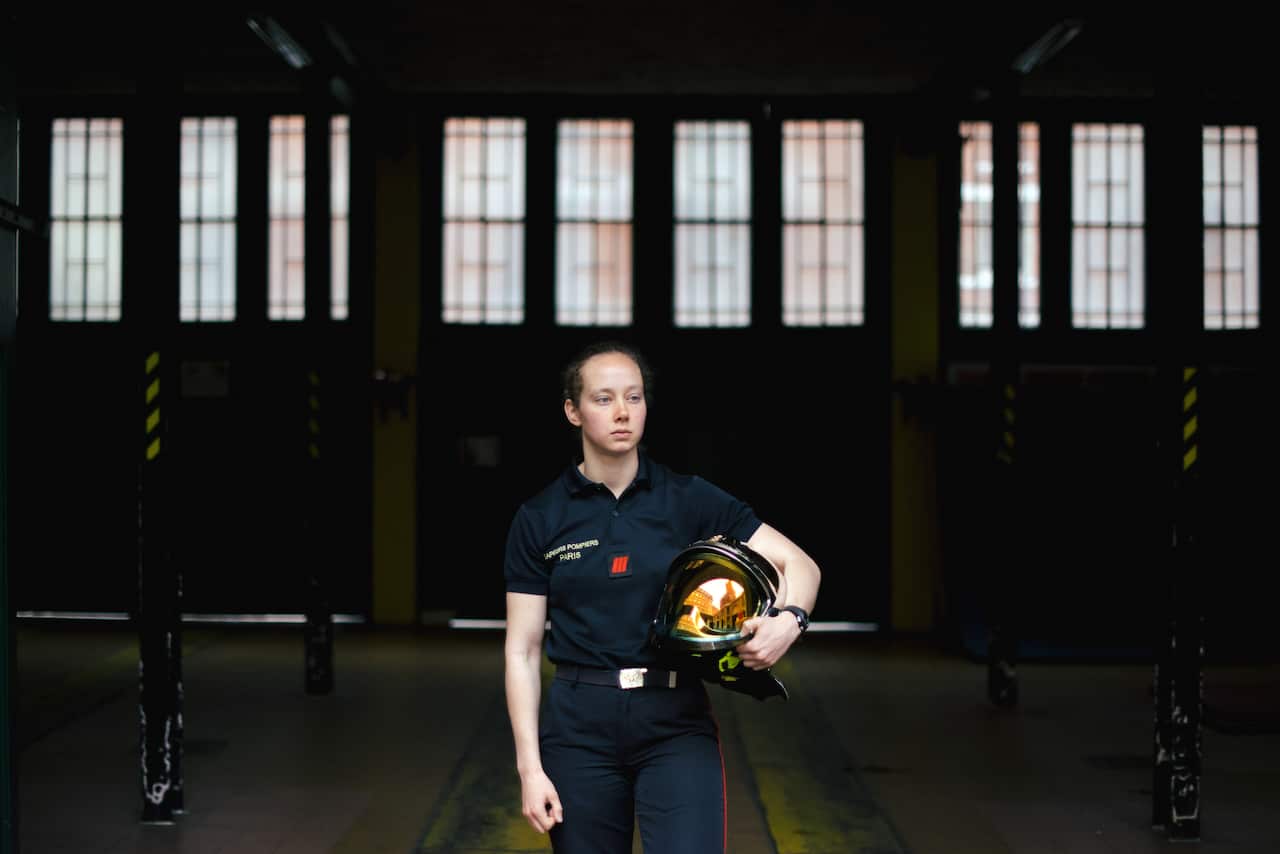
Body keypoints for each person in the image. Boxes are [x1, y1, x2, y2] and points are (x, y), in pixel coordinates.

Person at [503, 338, 821, 853]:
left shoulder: (688, 499)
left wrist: (790, 619)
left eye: (634, 397)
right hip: (578, 728)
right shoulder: (540, 518)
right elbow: (521, 650)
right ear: (572, 411)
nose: (622, 412)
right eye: (603, 399)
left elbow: (800, 564)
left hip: (675, 723)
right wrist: (529, 768)